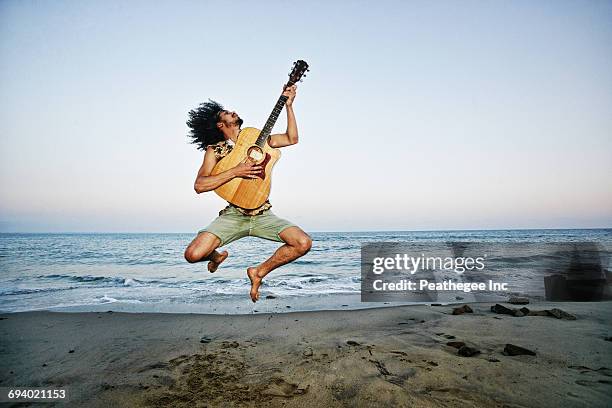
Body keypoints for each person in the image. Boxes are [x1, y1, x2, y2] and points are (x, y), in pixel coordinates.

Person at [183, 85, 312, 302]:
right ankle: (216, 257)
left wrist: (289, 106)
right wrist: (236, 171)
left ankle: (258, 272)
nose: (232, 111)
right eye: (226, 112)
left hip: (263, 213)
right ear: (220, 124)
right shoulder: (215, 150)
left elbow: (291, 138)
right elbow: (200, 185)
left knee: (303, 243)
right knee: (192, 255)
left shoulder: (256, 137)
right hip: (234, 214)